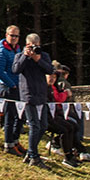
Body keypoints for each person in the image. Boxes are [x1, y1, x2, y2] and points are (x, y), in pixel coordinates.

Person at [13, 32, 54, 167]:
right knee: (34, 126)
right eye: (32, 46)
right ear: (27, 45)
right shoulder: (20, 56)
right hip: (28, 95)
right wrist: (26, 56)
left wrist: (38, 59)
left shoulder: (44, 56)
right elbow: (16, 69)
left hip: (41, 95)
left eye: (37, 46)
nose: (34, 49)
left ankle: (30, 152)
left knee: (43, 126)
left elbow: (49, 69)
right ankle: (34, 157)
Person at [0, 26, 26, 155]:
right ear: (6, 35)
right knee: (10, 116)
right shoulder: (1, 51)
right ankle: (8, 144)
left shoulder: (18, 49)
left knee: (21, 116)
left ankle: (15, 140)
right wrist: (12, 84)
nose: (14, 38)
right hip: (8, 87)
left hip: (19, 86)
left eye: (16, 36)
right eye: (12, 35)